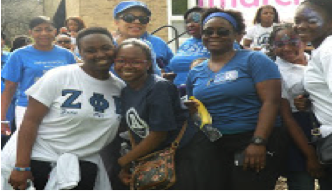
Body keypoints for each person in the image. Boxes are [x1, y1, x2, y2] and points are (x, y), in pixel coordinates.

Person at [1, 27, 125, 191]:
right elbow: (30, 121)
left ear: (114, 48)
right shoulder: (59, 76)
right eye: (90, 50)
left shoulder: (119, 88)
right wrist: (21, 167)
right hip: (41, 160)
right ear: (79, 52)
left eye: (105, 48)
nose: (100, 54)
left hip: (85, 163)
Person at [186, 8, 285, 190]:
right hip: (213, 144)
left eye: (222, 31)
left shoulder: (254, 60)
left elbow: (271, 102)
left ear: (237, 35)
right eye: (208, 31)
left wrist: (258, 142)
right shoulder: (195, 72)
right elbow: (196, 110)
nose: (214, 35)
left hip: (251, 140)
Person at [113, 38, 221, 190]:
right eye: (121, 60)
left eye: (136, 61)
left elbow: (158, 134)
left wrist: (121, 162)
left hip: (185, 155)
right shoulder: (126, 91)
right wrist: (130, 163)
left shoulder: (158, 87)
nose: (127, 66)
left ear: (148, 63)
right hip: (156, 157)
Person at [1, 16, 76, 134]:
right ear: (30, 32)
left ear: (55, 32)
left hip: (59, 108)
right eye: (38, 30)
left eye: (48, 29)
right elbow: (9, 88)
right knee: (29, 146)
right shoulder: (19, 55)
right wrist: (2, 118)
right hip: (27, 108)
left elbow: (73, 83)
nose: (44, 33)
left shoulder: (67, 55)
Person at [270, 23, 323, 190]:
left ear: (304, 41)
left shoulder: (317, 60)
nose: (286, 48)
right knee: (302, 182)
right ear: (272, 47)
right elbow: (287, 117)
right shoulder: (275, 71)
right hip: (298, 134)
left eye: (293, 42)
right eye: (279, 44)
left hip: (325, 128)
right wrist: (310, 156)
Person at [294, 0, 332, 190]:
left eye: (311, 20)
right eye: (297, 21)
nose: (301, 26)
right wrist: (313, 101)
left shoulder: (329, 50)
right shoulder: (321, 50)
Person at [113, 0, 174, 73]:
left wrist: (164, 73)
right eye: (129, 18)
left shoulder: (156, 43)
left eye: (143, 19)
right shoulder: (108, 46)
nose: (137, 21)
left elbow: (173, 66)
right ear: (116, 22)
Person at [165, 7, 210, 87]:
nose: (190, 25)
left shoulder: (216, 42)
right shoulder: (185, 44)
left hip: (201, 90)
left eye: (196, 20)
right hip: (178, 91)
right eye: (187, 22)